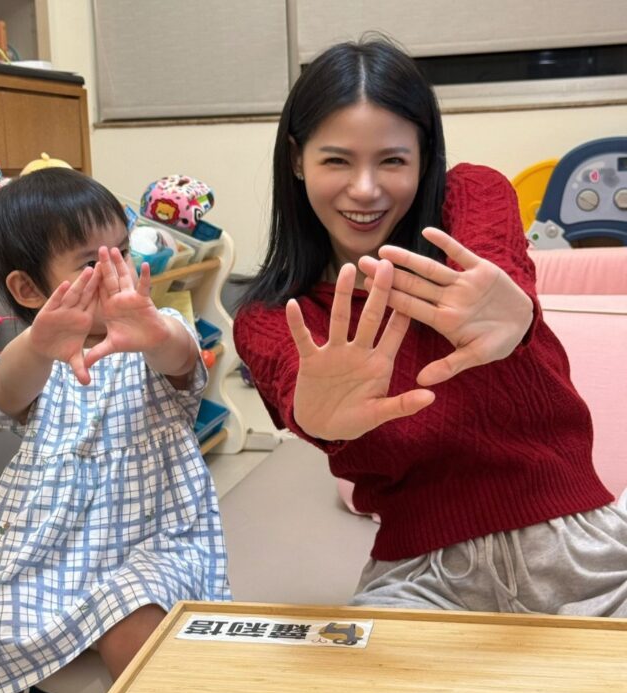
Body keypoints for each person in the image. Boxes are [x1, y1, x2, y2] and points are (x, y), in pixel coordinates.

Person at [233, 36, 627, 615]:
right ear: (296, 159)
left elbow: (499, 272)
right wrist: (317, 418)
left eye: (392, 160)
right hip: (424, 580)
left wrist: (515, 309)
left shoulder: (472, 196)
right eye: (336, 160)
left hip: (587, 551)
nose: (365, 189)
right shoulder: (271, 316)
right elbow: (305, 397)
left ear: (424, 155)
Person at [0, 168, 230, 693]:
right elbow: (5, 396)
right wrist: (38, 346)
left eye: (122, 251)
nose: (118, 271)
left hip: (153, 538)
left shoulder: (156, 330)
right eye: (91, 263)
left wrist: (154, 334)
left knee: (135, 617)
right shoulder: (38, 358)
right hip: (50, 548)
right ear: (29, 288)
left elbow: (182, 359)